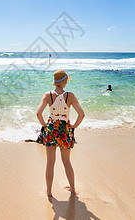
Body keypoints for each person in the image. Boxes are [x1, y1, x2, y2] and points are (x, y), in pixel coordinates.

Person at [36, 69, 85, 197]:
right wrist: (74, 126)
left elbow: (38, 113)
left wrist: (44, 125)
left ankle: (49, 192)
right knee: (67, 162)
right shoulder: (70, 96)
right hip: (65, 129)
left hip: (51, 128)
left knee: (50, 162)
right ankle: (73, 190)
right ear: (64, 82)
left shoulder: (47, 95)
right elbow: (81, 114)